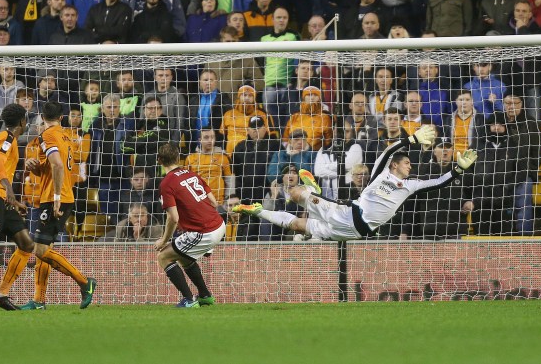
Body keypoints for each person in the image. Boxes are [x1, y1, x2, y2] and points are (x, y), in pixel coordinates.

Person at [0, 104, 96, 311]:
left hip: (1, 197)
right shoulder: (6, 139)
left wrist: (13, 198)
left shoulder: (8, 138)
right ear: (22, 122)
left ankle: (1, 294)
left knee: (26, 244)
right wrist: (10, 192)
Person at [233, 125, 478, 242]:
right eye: (406, 164)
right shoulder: (381, 174)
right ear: (395, 165)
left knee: (298, 225)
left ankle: (261, 209)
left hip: (352, 232)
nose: (410, 167)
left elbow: (438, 183)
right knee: (295, 196)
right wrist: (411, 139)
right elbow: (388, 152)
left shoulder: (410, 186)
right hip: (349, 216)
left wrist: (458, 170)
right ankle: (263, 209)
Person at [16, 101, 96, 310]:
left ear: (42, 117)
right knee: (45, 249)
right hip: (60, 195)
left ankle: (84, 282)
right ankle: (39, 300)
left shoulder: (47, 136)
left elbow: (59, 165)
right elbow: (54, 166)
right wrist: (37, 167)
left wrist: (57, 197)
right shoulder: (67, 136)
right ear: (62, 118)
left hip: (54, 198)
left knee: (40, 250)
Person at [153, 143, 226, 308]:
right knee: (184, 258)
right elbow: (214, 202)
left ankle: (189, 300)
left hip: (204, 231)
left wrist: (164, 240)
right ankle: (205, 295)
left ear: (159, 160)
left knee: (164, 256)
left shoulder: (166, 183)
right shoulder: (191, 174)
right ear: (179, 158)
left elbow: (173, 218)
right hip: (219, 224)